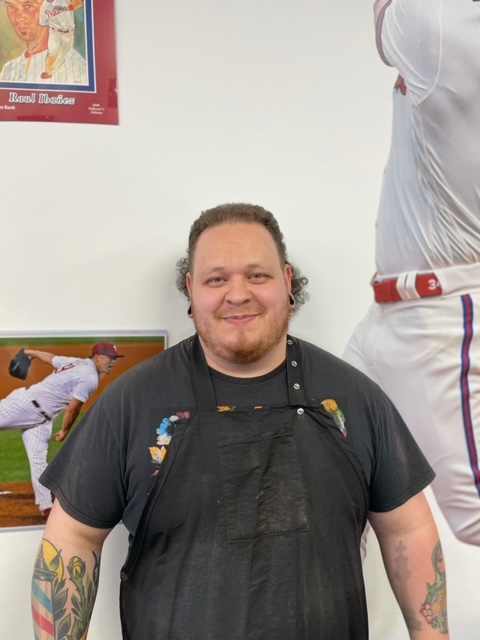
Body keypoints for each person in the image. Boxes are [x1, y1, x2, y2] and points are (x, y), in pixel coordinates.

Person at [33, 204, 448, 640]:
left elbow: (409, 527)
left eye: (257, 275)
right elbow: (73, 537)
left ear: (287, 282)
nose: (238, 294)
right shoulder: (132, 404)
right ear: (191, 290)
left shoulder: (354, 399)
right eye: (217, 279)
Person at [343, 0, 480, 548]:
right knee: (329, 457)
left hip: (441, 316)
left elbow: (387, 21)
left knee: (474, 519)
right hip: (385, 314)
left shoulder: (443, 25)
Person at [0, 342, 123, 518]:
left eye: (114, 359)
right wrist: (65, 430)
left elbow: (52, 359)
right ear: (97, 357)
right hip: (24, 405)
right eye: (109, 358)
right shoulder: (89, 377)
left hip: (41, 419)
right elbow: (73, 409)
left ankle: (46, 507)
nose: (112, 362)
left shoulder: (78, 362)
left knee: (38, 461)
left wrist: (32, 352)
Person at [0, 0, 87, 84]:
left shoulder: (77, 70)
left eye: (29, 6)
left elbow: (78, 3)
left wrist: (68, 8)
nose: (18, 18)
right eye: (10, 6)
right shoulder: (8, 69)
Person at [38, 0, 83, 80]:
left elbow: (79, 3)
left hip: (68, 33)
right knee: (52, 51)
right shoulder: (44, 7)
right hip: (54, 32)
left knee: (65, 53)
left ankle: (54, 69)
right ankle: (48, 71)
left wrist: (68, 8)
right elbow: (43, 24)